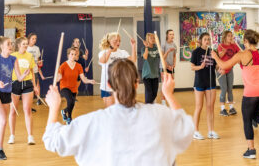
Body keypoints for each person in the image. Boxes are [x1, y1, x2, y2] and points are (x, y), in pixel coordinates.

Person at [43, 59, 194, 166]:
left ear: (109, 85)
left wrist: (54, 107)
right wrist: (168, 94)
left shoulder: (92, 122)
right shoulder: (160, 115)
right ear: (137, 82)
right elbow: (186, 128)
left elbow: (52, 140)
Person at [211, 29, 259, 159]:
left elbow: (223, 64)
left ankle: (251, 150)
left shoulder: (242, 55)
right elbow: (233, 67)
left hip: (251, 91)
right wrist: (226, 69)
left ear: (245, 41)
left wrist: (215, 56)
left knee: (247, 119)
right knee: (252, 113)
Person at [0, 36, 29, 160]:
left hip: (7, 92)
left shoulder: (14, 59)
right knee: (2, 119)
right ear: (1, 46)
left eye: (11, 43)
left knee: (2, 122)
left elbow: (18, 78)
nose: (11, 45)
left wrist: (24, 74)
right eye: (8, 44)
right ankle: (0, 150)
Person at [8, 37, 39, 145]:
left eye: (26, 44)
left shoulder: (30, 56)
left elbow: (32, 72)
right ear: (18, 45)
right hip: (15, 84)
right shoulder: (13, 56)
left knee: (27, 110)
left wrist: (35, 86)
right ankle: (12, 135)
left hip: (27, 84)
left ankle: (30, 136)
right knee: (13, 111)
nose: (26, 45)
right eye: (23, 44)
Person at [190, 32, 219, 140]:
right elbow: (192, 67)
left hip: (211, 83)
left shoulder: (213, 52)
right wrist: (200, 66)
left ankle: (211, 131)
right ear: (201, 41)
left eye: (208, 39)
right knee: (199, 107)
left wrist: (220, 68)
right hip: (199, 82)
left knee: (210, 107)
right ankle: (195, 131)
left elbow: (215, 66)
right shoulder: (196, 52)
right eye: (205, 39)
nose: (207, 41)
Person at [98, 32, 136, 107]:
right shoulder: (103, 52)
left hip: (120, 86)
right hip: (107, 86)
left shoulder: (122, 52)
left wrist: (133, 46)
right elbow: (103, 61)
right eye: (115, 41)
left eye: (119, 41)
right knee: (111, 110)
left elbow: (133, 60)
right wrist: (110, 49)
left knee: (121, 110)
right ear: (109, 42)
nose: (118, 42)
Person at [59, 47, 95, 125]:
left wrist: (90, 81)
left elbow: (83, 79)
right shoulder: (63, 65)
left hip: (74, 88)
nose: (73, 56)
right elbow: (58, 77)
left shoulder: (78, 66)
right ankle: (69, 118)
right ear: (68, 55)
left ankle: (64, 111)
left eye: (75, 54)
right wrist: (57, 78)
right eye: (72, 54)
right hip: (64, 87)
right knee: (70, 100)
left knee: (72, 103)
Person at [217, 30, 240, 116]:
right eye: (229, 36)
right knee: (224, 89)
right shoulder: (220, 45)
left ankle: (231, 107)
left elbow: (240, 53)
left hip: (230, 69)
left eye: (231, 36)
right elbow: (220, 56)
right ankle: (222, 109)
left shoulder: (234, 46)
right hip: (221, 70)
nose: (231, 37)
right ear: (225, 37)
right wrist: (224, 51)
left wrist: (236, 44)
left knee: (230, 88)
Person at [27, 33, 45, 105]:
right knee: (29, 86)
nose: (34, 40)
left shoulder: (37, 48)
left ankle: (38, 99)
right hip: (27, 70)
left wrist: (39, 63)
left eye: (35, 39)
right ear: (29, 39)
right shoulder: (26, 48)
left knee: (37, 84)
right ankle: (29, 101)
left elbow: (38, 60)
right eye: (33, 39)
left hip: (35, 69)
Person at [142, 33, 160, 104]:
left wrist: (168, 52)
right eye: (151, 38)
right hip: (147, 75)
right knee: (149, 94)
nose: (153, 39)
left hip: (155, 74)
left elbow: (162, 57)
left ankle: (148, 106)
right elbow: (145, 57)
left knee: (154, 94)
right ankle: (147, 107)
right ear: (147, 40)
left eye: (154, 38)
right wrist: (146, 47)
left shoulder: (157, 48)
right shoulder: (144, 48)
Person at [161, 29, 177, 105]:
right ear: (167, 35)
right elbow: (162, 58)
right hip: (164, 67)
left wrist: (174, 64)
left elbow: (174, 56)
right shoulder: (163, 44)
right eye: (170, 34)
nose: (172, 36)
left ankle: (170, 102)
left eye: (173, 34)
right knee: (165, 84)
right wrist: (167, 66)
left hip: (171, 67)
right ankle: (163, 102)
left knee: (171, 84)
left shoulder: (174, 45)